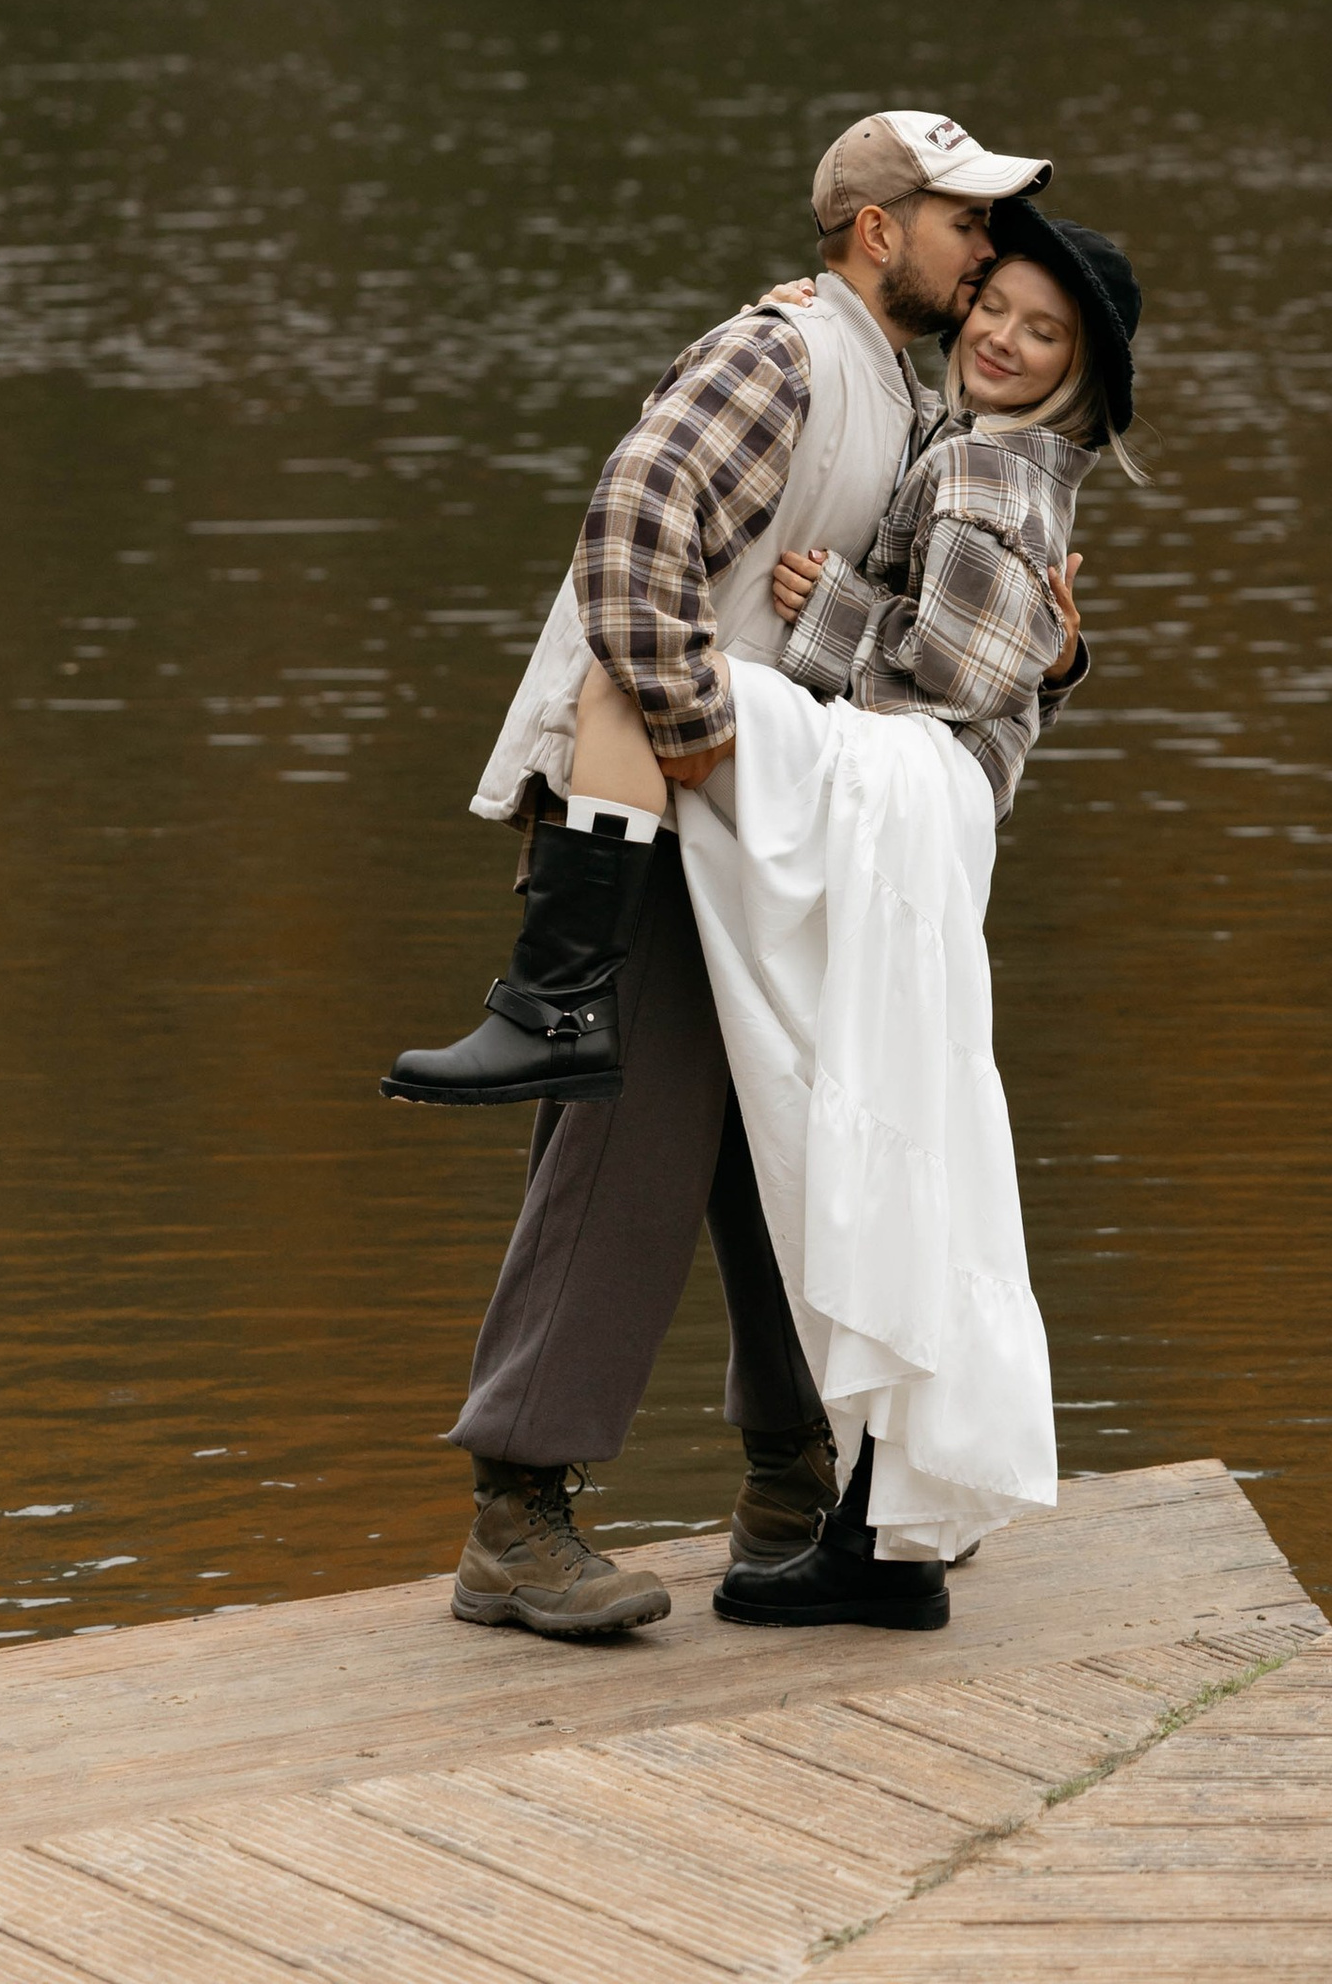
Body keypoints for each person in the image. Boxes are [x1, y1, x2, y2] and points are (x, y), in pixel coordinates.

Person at [379, 109, 1077, 1644]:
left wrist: (1049, 644)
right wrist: (692, 720)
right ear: (881, 228)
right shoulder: (779, 355)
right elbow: (633, 525)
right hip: (659, 807)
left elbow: (939, 633)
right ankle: (517, 1513)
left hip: (774, 827)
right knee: (621, 1140)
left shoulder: (904, 395)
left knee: (791, 1139)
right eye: (965, 223)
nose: (986, 257)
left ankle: (793, 1482)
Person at [678, 195, 1142, 1633]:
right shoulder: (969, 447)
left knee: (663, 688)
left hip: (916, 787)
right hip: (918, 800)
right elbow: (1016, 653)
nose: (1002, 336)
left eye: (1042, 330)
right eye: (995, 304)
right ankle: (896, 1521)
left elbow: (958, 665)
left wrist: (820, 620)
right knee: (885, 1111)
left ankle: (558, 969)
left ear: (1080, 366)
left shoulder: (1008, 470)